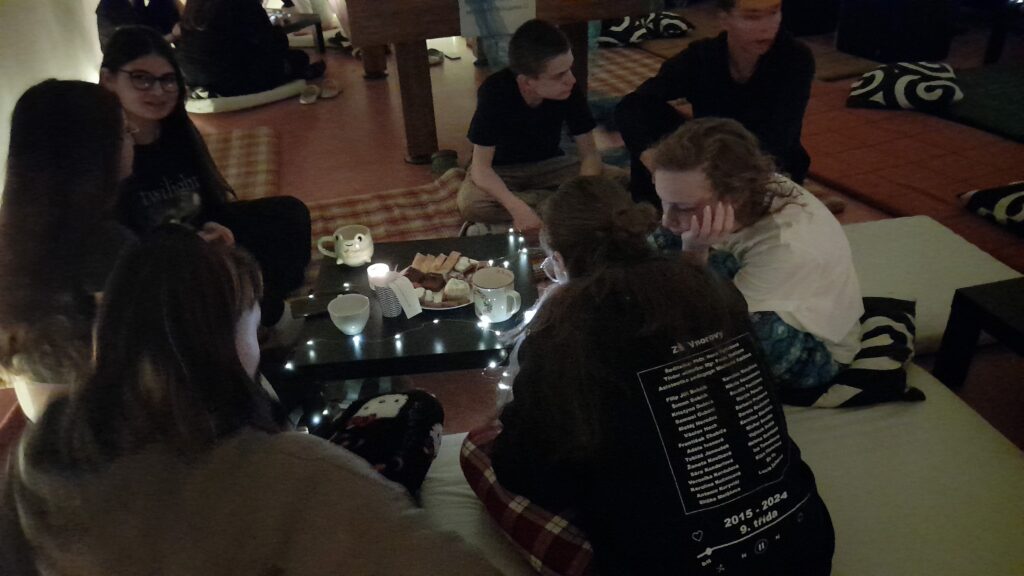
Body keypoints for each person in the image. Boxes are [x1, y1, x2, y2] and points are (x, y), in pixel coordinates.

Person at [0, 227, 502, 576]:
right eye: (253, 324)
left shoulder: (40, 454)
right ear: (226, 340)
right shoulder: (294, 474)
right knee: (413, 409)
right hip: (335, 489)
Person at [490, 175, 835, 575]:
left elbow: (524, 471)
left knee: (478, 449)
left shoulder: (565, 333)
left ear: (562, 261)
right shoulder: (714, 287)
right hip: (807, 548)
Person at [99, 26, 312, 330]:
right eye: (141, 78)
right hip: (157, 265)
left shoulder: (176, 131)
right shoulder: (110, 152)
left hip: (201, 238)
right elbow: (123, 247)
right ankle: (253, 314)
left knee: (288, 215)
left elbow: (211, 202)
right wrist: (193, 249)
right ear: (108, 79)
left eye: (167, 79)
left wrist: (216, 234)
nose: (158, 91)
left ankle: (263, 301)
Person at [652, 118, 862, 390]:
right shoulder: (746, 184)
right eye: (664, 201)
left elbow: (710, 323)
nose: (667, 218)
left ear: (735, 197)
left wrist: (695, 252)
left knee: (703, 339)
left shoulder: (788, 246)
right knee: (659, 241)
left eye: (683, 207)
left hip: (815, 350)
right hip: (753, 289)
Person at [0, 79, 138, 420]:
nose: (132, 139)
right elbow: (135, 352)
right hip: (106, 420)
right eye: (124, 132)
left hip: (40, 416)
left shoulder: (15, 241)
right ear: (94, 153)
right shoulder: (105, 246)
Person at [615, 0, 814, 207]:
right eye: (752, 16)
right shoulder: (703, 57)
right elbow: (632, 105)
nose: (766, 26)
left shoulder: (795, 58)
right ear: (724, 19)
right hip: (708, 157)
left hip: (767, 168)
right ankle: (649, 209)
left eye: (773, 13)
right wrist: (652, 158)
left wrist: (706, 177)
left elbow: (777, 142)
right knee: (650, 123)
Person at [458, 19, 622, 233]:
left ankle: (542, 210)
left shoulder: (568, 88)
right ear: (526, 82)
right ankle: (553, 207)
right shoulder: (495, 93)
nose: (571, 79)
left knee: (619, 180)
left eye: (569, 69)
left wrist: (579, 194)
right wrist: (516, 207)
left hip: (551, 165)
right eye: (559, 75)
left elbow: (590, 155)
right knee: (471, 204)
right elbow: (481, 169)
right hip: (503, 171)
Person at [174, 0, 325, 96]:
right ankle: (294, 75)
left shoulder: (194, 4)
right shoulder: (246, 3)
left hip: (191, 74)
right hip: (229, 79)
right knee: (299, 58)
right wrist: (277, 30)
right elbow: (273, 46)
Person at [96, 0, 183, 48]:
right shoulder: (108, 7)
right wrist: (172, 36)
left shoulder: (137, 4)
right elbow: (136, 48)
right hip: (128, 61)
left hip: (154, 47)